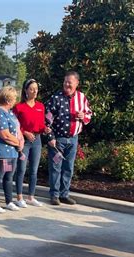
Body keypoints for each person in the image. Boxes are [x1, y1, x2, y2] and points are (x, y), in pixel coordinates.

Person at [46, 71, 92, 205]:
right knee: (55, 167)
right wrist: (50, 137)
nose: (66, 84)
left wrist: (84, 116)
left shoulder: (82, 98)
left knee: (68, 167)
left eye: (69, 82)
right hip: (58, 139)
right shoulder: (56, 98)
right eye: (65, 82)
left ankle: (64, 194)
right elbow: (47, 119)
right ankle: (54, 195)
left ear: (77, 83)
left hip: (73, 139)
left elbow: (89, 113)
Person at [13, 79, 49, 208]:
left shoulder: (40, 106)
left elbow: (41, 124)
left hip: (37, 140)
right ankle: (19, 196)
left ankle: (31, 196)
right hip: (24, 141)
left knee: (34, 170)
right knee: (21, 169)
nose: (35, 91)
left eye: (36, 89)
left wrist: (45, 129)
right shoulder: (19, 107)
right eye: (32, 89)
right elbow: (14, 125)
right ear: (26, 90)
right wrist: (24, 132)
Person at [0, 86, 24, 213]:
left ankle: (9, 201)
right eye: (14, 98)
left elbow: (17, 129)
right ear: (9, 100)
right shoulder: (0, 112)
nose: (15, 100)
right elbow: (4, 134)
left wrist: (20, 140)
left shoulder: (11, 113)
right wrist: (18, 142)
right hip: (4, 152)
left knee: (9, 177)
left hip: (12, 152)